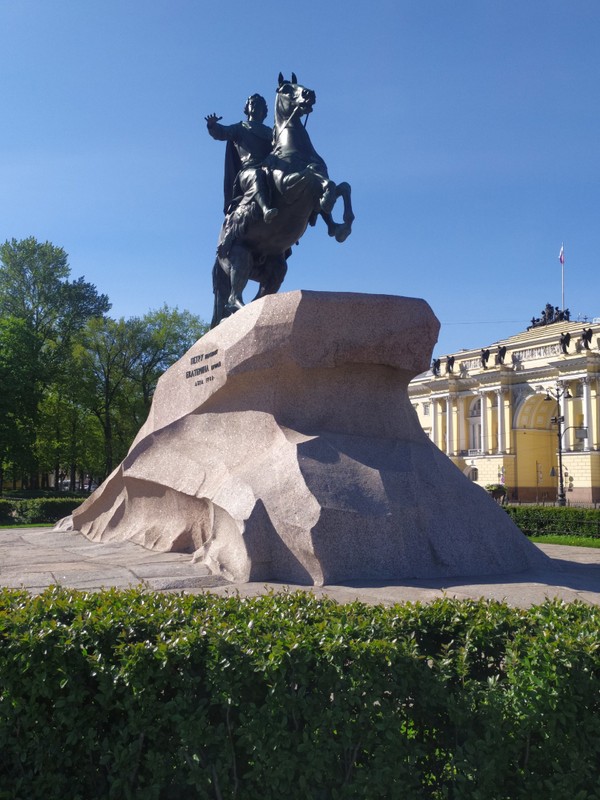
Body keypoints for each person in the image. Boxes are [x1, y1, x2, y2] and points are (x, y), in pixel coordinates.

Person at [205, 94, 278, 223]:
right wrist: (212, 125)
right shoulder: (240, 128)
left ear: (264, 111)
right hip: (248, 170)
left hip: (268, 167)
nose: (255, 106)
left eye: (259, 105)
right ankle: (265, 209)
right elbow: (222, 132)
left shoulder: (270, 132)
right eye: (252, 103)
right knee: (256, 175)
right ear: (247, 109)